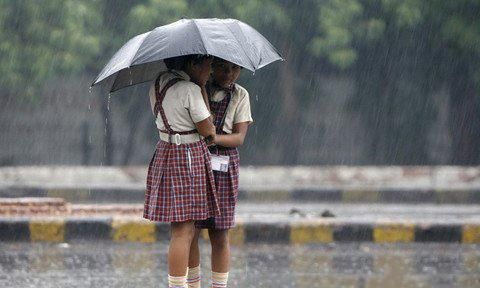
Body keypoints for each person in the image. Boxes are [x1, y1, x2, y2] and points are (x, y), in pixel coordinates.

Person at [143, 54, 219, 288]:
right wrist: (202, 90)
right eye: (208, 65)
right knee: (183, 231)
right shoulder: (189, 90)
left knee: (185, 229)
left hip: (166, 152)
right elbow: (209, 130)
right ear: (193, 63)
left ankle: (192, 284)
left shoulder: (157, 84)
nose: (211, 71)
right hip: (187, 156)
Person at [187, 58, 253, 288]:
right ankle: (193, 283)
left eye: (235, 68)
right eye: (224, 68)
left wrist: (214, 138)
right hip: (196, 161)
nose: (230, 73)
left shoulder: (240, 95)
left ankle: (219, 285)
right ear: (212, 67)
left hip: (224, 163)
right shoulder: (196, 89)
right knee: (191, 230)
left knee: (220, 232)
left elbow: (239, 137)